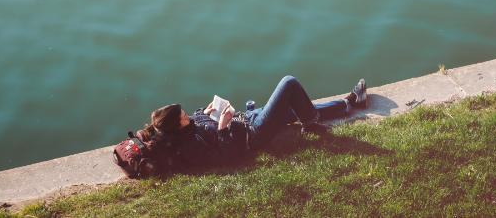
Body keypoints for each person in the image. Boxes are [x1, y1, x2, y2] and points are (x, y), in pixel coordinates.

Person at [142, 75, 368, 167]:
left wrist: (206, 110)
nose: (187, 114)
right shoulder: (190, 146)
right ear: (176, 125)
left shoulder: (187, 126)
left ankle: (349, 103)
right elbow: (227, 158)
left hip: (246, 119)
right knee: (289, 83)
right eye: (182, 115)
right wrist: (222, 128)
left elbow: (197, 121)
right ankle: (313, 121)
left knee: (295, 107)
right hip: (254, 134)